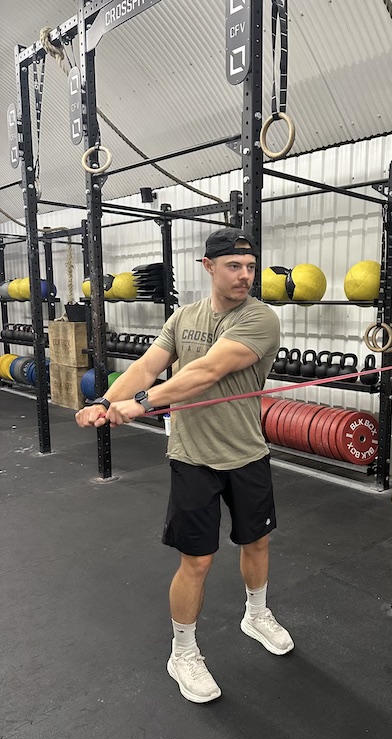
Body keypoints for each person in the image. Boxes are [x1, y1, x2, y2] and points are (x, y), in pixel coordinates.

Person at [75, 228, 293, 704]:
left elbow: (205, 371)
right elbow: (146, 367)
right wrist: (103, 401)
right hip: (193, 458)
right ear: (208, 266)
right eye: (234, 266)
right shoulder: (184, 316)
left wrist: (139, 403)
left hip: (247, 453)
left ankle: (256, 614)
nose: (245, 276)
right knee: (196, 560)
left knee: (256, 541)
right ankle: (184, 652)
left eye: (251, 267)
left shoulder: (260, 319)